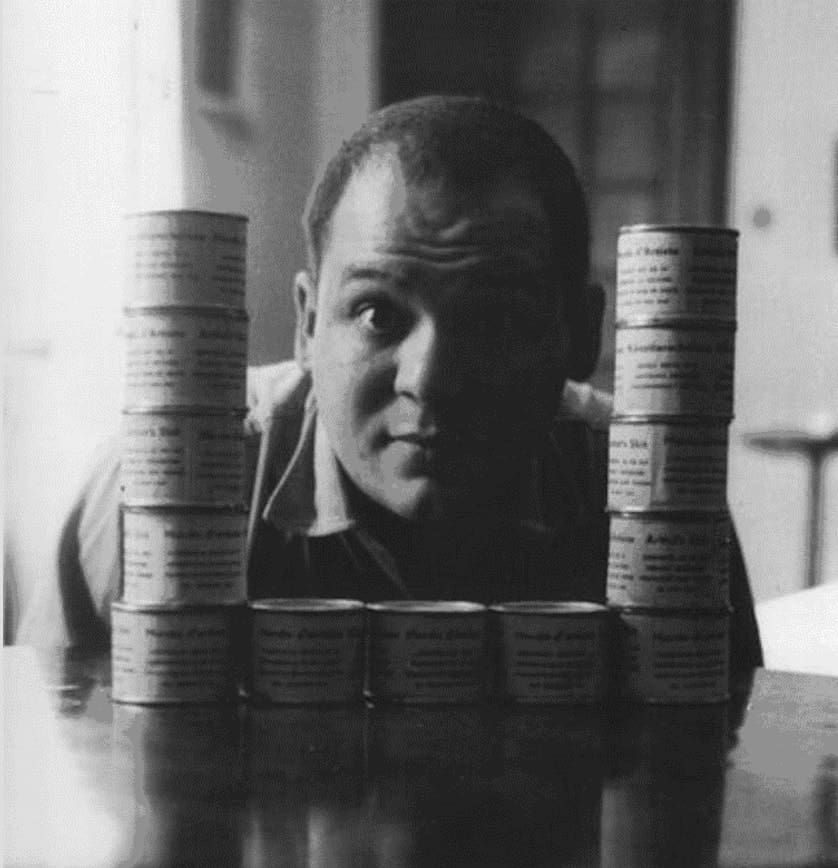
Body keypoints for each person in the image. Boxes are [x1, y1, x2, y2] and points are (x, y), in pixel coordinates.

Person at [19, 95, 762, 677]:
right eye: (377, 313)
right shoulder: (150, 489)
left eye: (498, 318)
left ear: (580, 335)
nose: (431, 380)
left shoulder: (655, 501)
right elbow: (48, 781)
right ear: (307, 325)